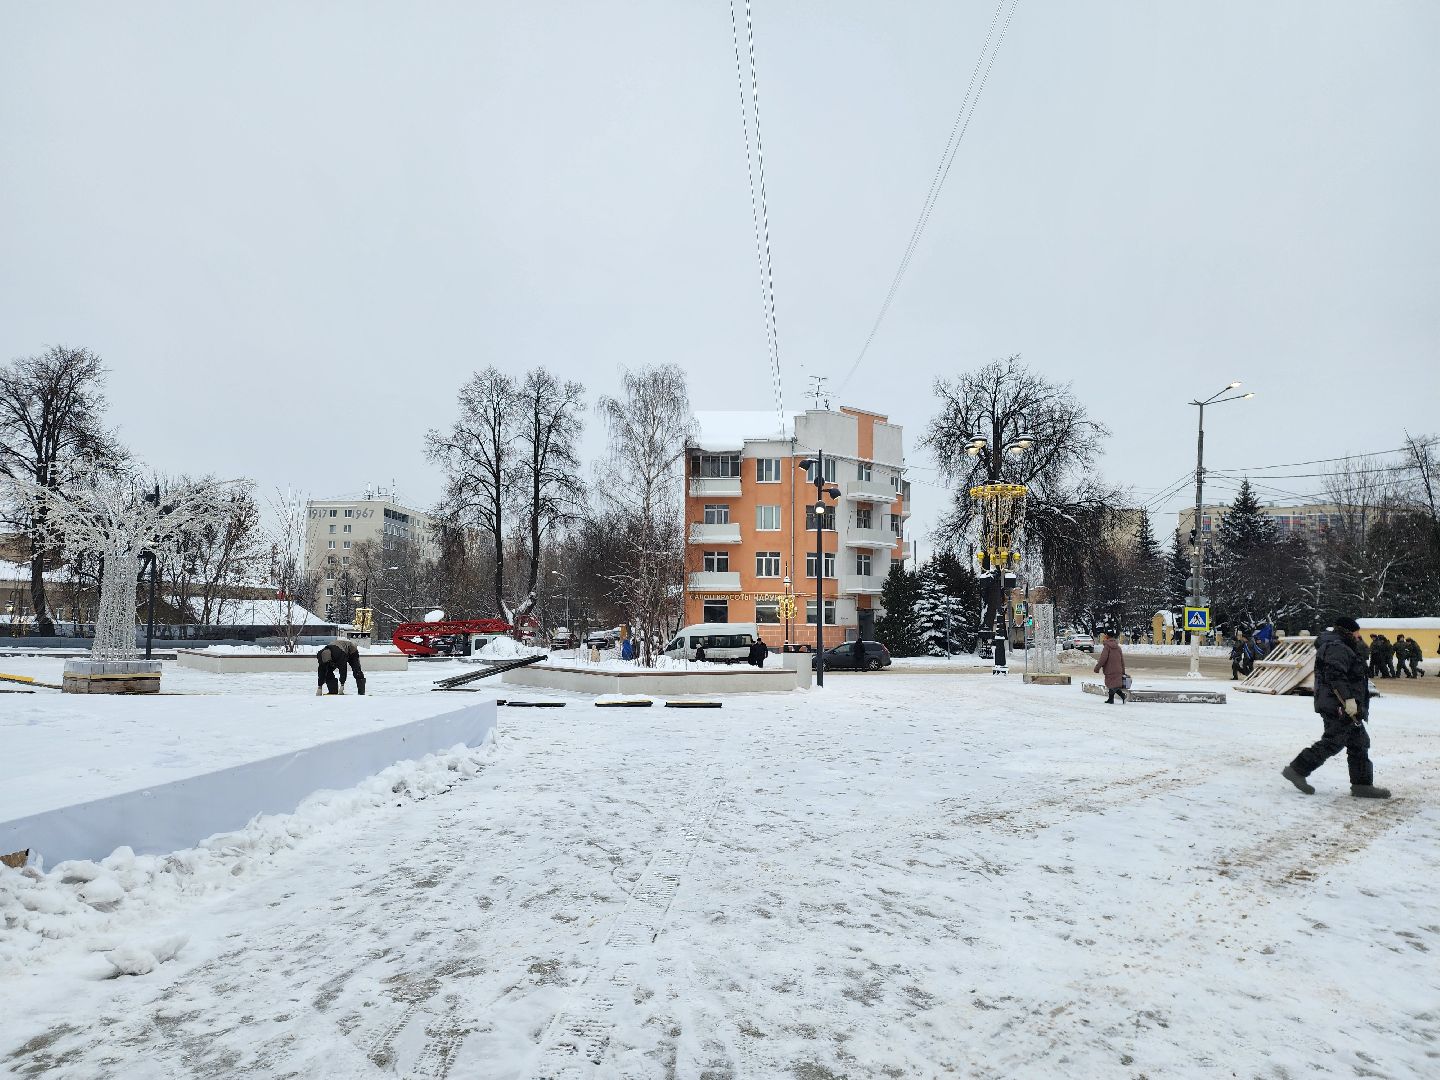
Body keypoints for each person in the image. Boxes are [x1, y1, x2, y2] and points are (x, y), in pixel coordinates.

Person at [1282, 617, 1389, 798]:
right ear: (1348, 631)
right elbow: (1335, 676)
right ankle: (1297, 770)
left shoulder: (1344, 645)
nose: (1359, 635)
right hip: (1338, 705)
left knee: (1359, 742)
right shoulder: (1336, 647)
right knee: (1333, 741)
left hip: (1345, 704)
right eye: (1356, 632)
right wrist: (1347, 700)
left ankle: (1362, 785)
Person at [1094, 629, 1127, 704]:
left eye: (1106, 635)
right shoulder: (1118, 647)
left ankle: (1122, 695)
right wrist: (1123, 670)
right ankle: (1111, 699)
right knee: (1113, 684)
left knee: (1111, 685)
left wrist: (1097, 667)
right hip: (1118, 669)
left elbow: (1103, 659)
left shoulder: (1107, 647)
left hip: (1109, 669)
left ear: (1107, 636)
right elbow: (1122, 660)